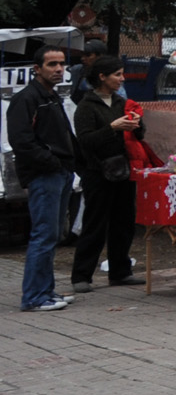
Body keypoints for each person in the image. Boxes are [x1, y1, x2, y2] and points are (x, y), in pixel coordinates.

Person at [10, 46, 78, 311]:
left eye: (62, 64)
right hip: (44, 175)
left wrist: (71, 163)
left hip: (60, 172)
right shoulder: (27, 99)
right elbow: (21, 141)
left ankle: (46, 291)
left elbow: (63, 135)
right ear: (37, 69)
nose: (59, 69)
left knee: (52, 236)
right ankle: (34, 298)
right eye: (52, 64)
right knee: (43, 235)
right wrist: (52, 162)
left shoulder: (52, 96)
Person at [70, 54, 144, 290]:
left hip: (122, 170)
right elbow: (85, 141)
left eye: (122, 74)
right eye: (117, 74)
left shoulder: (121, 103)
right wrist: (112, 127)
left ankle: (120, 271)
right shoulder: (86, 106)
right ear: (102, 77)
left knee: (123, 222)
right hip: (98, 172)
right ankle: (81, 276)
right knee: (95, 224)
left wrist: (137, 124)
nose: (122, 79)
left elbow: (137, 135)